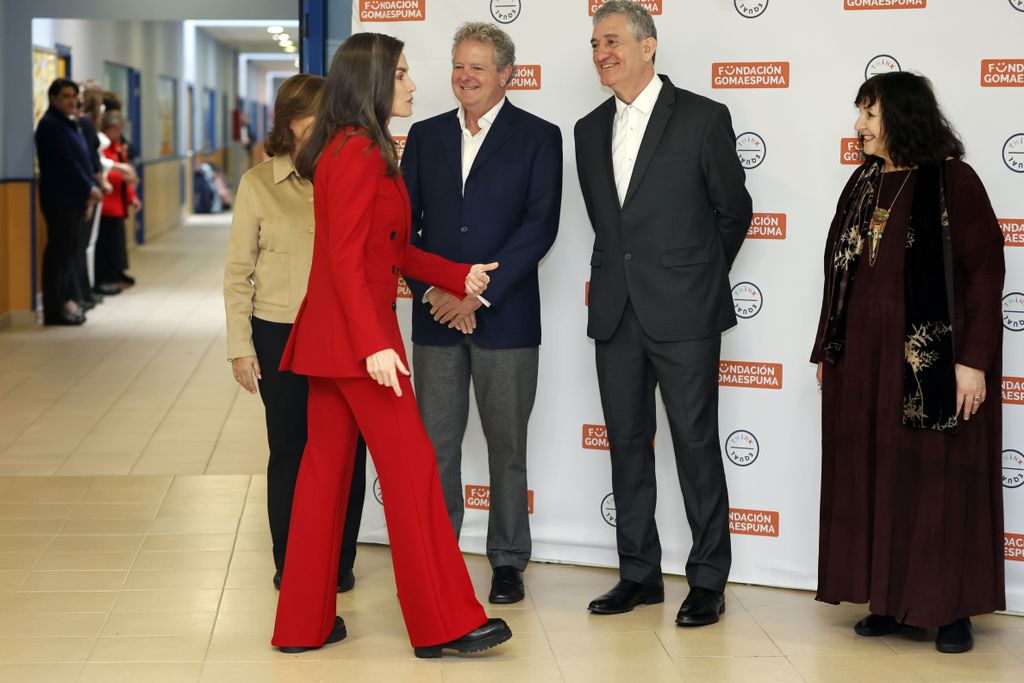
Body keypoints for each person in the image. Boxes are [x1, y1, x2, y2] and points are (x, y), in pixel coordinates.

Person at [270, 32, 512, 658]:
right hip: (359, 348)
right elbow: (345, 261)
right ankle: (443, 624)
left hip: (334, 342)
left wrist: (458, 275)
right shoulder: (357, 152)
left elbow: (391, 250)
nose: (411, 84)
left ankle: (303, 623)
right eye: (401, 74)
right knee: (412, 477)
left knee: (323, 480)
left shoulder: (354, 147)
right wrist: (377, 344)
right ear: (374, 82)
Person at [811, 71, 1005, 654]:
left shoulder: (954, 180)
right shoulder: (863, 181)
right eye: (860, 114)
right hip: (864, 362)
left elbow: (985, 275)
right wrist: (828, 346)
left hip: (931, 362)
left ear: (903, 117)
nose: (859, 127)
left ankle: (950, 612)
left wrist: (973, 362)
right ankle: (890, 600)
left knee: (936, 480)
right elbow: (838, 273)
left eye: (869, 115)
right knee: (877, 475)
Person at [574, 0, 752, 626]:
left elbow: (735, 212)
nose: (602, 53)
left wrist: (695, 278)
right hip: (616, 314)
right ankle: (639, 574)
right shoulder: (587, 129)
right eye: (595, 44)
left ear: (649, 46)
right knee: (626, 445)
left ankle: (707, 580)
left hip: (686, 314)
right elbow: (608, 225)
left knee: (696, 444)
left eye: (614, 41)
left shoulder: (703, 118)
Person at [400, 21, 562, 605]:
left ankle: (508, 562)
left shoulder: (540, 137)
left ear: (505, 75)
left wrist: (475, 295)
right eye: (458, 66)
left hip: (507, 318)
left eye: (477, 67)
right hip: (435, 320)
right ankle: (439, 557)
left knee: (507, 448)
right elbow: (402, 230)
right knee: (436, 447)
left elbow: (538, 227)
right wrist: (438, 293)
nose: (464, 77)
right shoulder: (423, 136)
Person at [223, 73, 366, 595]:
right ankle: (291, 559)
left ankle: (341, 559)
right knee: (291, 448)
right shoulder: (258, 184)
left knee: (346, 451)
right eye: (314, 115)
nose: (325, 124)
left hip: (345, 336)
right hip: (279, 334)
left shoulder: (350, 174)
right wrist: (241, 348)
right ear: (289, 121)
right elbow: (238, 272)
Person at [34, 78, 103, 325]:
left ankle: (65, 301)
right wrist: (89, 188)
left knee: (68, 252)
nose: (71, 100)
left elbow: (82, 159)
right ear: (54, 98)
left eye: (74, 96)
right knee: (59, 253)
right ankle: (54, 309)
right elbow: (67, 164)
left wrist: (88, 192)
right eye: (65, 96)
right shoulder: (50, 125)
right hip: (60, 200)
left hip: (74, 199)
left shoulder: (69, 123)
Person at [97, 111, 141, 294]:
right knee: (107, 245)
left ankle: (117, 273)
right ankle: (108, 277)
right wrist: (124, 177)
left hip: (118, 204)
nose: (117, 133)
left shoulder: (117, 149)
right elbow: (109, 174)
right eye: (114, 129)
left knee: (117, 244)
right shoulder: (104, 151)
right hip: (108, 204)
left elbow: (126, 176)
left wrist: (132, 197)